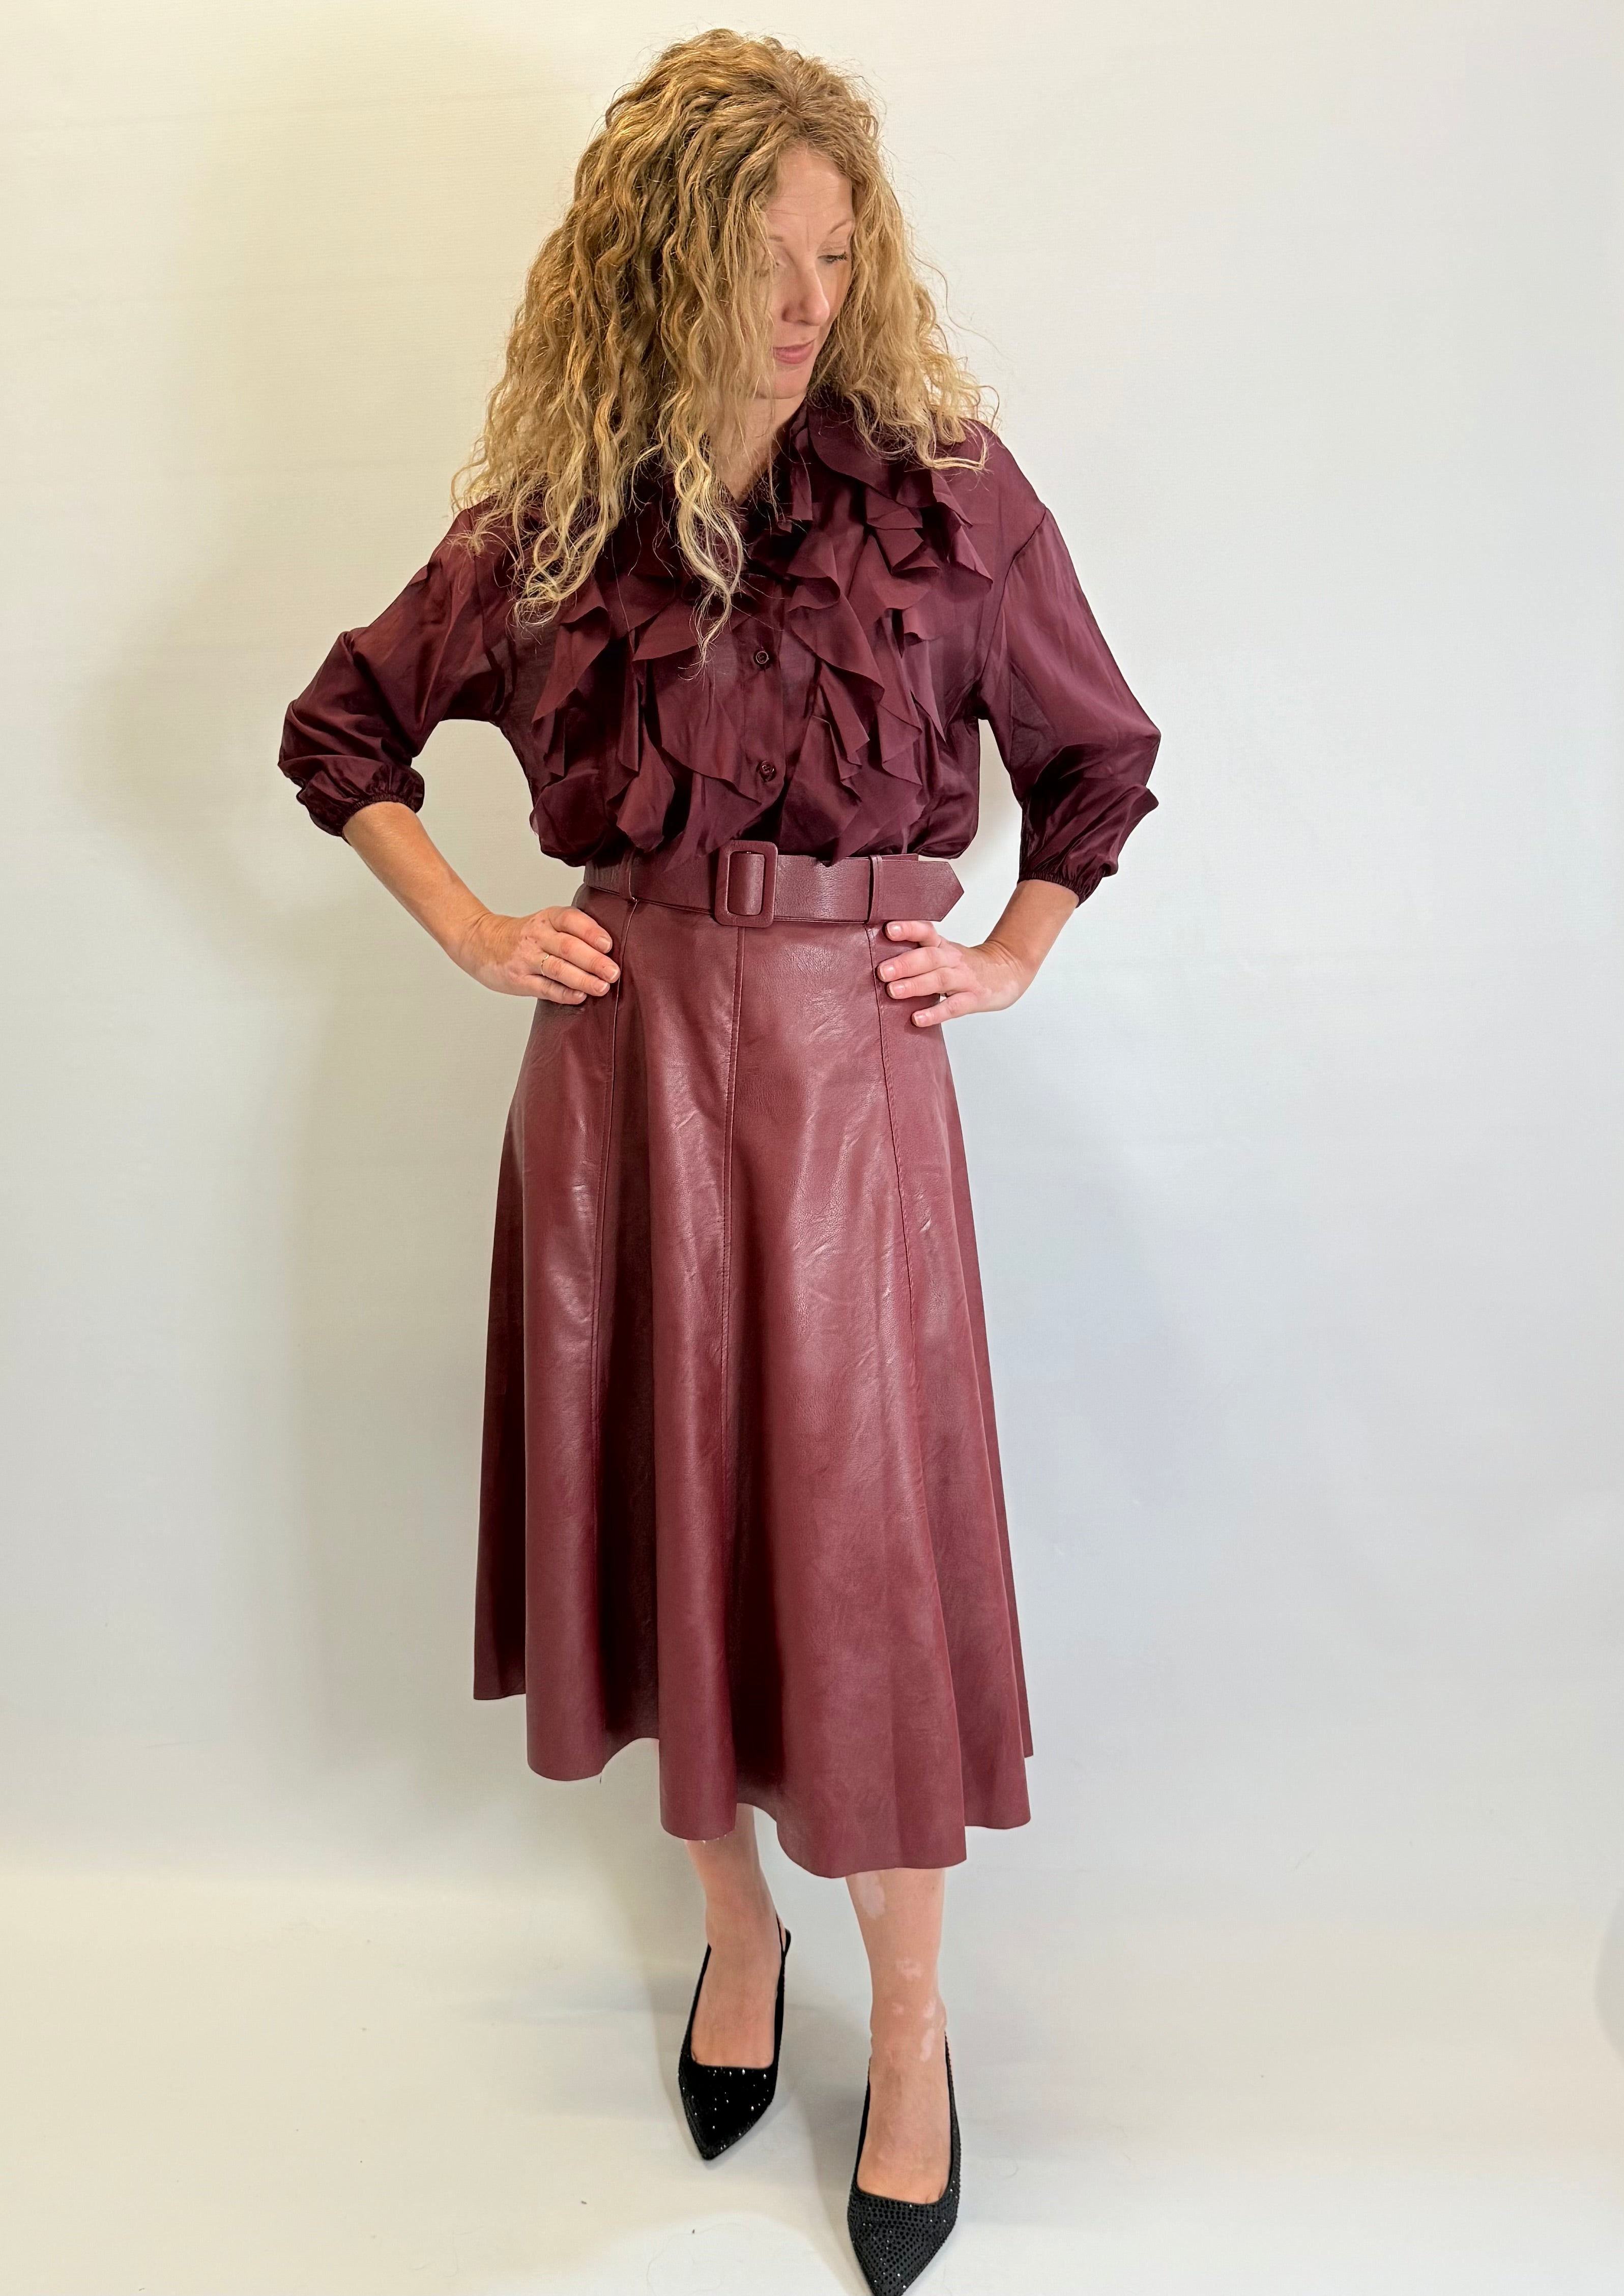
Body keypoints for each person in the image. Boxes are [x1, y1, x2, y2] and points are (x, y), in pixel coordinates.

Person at [277, 28, 1158, 2291]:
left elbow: (1095, 757)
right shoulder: (555, 518)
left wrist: (1015, 947)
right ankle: (739, 1932)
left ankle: (917, 2028)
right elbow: (344, 730)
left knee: (860, 1566)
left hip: (855, 1088)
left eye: (835, 253)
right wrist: (479, 926)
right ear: (654, 266)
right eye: (760, 256)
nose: (803, 301)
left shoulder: (951, 496)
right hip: (625, 1080)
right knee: (669, 1525)